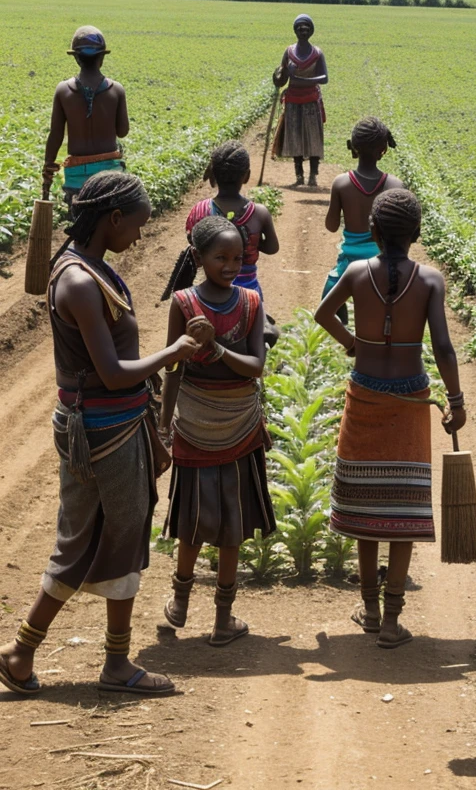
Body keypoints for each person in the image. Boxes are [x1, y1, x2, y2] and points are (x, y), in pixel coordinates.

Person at [0, 172, 204, 697]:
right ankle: (114, 664)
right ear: (113, 219)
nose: (139, 235)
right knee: (118, 536)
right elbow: (113, 372)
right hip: (103, 430)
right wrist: (176, 351)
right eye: (136, 225)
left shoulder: (87, 268)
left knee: (85, 538)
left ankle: (21, 652)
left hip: (103, 423)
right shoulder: (79, 283)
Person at [315, 189, 466, 648]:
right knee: (402, 509)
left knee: (365, 508)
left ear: (374, 232)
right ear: (417, 234)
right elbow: (441, 346)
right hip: (409, 402)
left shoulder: (358, 272)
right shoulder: (430, 280)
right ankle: (392, 621)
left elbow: (324, 313)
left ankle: (370, 606)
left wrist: (352, 344)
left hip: (363, 395)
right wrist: (456, 399)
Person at [159, 215, 275, 647]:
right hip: (193, 422)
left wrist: (215, 347)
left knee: (233, 523)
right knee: (192, 518)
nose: (230, 265)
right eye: (219, 257)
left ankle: (222, 617)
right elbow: (172, 367)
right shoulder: (183, 303)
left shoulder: (249, 303)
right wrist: (165, 423)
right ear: (199, 258)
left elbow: (256, 366)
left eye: (236, 257)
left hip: (239, 422)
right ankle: (182, 600)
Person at [162, 140, 280, 303]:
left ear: (214, 174)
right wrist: (249, 240)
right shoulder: (259, 213)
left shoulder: (200, 210)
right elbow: (273, 247)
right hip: (249, 293)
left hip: (210, 294)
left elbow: (193, 241)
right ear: (246, 176)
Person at [322, 117, 403, 325]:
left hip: (349, 262)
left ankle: (346, 336)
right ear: (383, 150)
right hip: (384, 260)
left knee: (328, 299)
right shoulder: (395, 185)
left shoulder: (341, 183)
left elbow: (331, 227)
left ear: (353, 147)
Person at [43, 26, 129, 206]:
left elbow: (56, 134)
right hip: (110, 176)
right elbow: (122, 131)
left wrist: (48, 165)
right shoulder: (117, 90)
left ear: (76, 58)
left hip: (76, 178)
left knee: (78, 224)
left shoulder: (63, 90)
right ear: (102, 58)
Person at [273, 14, 328, 187]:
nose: (302, 32)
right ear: (295, 30)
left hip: (311, 99)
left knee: (313, 137)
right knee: (294, 136)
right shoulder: (289, 52)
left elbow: (325, 78)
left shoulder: (317, 53)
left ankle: (313, 175)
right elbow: (281, 79)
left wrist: (303, 80)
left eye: (306, 29)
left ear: (311, 31)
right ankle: (299, 175)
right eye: (299, 28)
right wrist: (282, 74)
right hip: (293, 99)